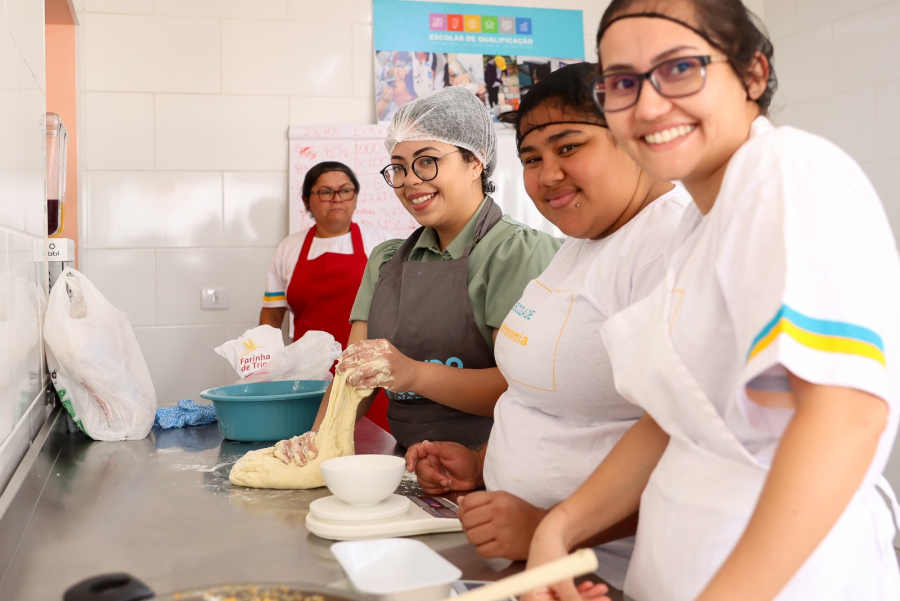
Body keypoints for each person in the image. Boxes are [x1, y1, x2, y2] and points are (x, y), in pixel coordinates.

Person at [525, 2, 900, 600]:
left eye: (680, 69)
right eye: (622, 83)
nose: (648, 106)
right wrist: (559, 528)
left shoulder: (786, 174)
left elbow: (845, 417)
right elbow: (677, 420)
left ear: (752, 73)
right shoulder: (698, 225)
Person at [403, 63, 690, 590]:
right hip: (528, 555)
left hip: (607, 571)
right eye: (532, 158)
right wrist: (480, 464)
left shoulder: (670, 245)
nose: (547, 174)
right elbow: (542, 399)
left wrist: (549, 528)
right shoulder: (580, 242)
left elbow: (686, 448)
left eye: (568, 146)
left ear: (635, 136)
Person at [294, 85, 560, 452]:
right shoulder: (387, 262)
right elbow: (355, 376)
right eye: (399, 168)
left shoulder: (514, 253)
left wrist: (414, 373)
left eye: (427, 160)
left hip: (495, 471)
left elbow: (520, 387)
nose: (411, 181)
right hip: (408, 464)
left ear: (475, 161)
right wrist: (315, 443)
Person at [260, 161, 391, 348]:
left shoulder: (381, 243)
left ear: (355, 197)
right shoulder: (289, 247)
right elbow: (272, 314)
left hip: (366, 366)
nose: (337, 199)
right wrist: (263, 359)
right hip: (305, 369)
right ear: (306, 201)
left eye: (345, 191)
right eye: (326, 192)